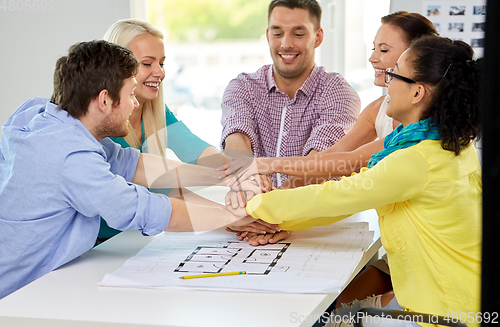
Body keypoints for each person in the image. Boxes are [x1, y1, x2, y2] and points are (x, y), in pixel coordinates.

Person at [238, 35, 482, 325]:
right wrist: (278, 221)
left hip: (444, 314)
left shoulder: (415, 160)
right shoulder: (449, 144)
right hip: (465, 297)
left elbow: (335, 195)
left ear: (418, 93)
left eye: (394, 74)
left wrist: (250, 208)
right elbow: (351, 194)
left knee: (327, 318)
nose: (386, 81)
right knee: (342, 309)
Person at [0, 40, 269, 300]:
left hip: (44, 283)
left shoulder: (45, 117)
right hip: (17, 295)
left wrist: (224, 176)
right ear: (104, 100)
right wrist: (232, 215)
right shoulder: (71, 157)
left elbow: (134, 164)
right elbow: (142, 209)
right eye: (130, 94)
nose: (136, 103)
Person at [93, 19, 236, 244]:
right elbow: (165, 190)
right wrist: (231, 217)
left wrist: (244, 175)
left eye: (162, 63)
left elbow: (198, 152)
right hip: (97, 247)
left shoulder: (157, 111)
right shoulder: (101, 123)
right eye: (147, 63)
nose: (159, 72)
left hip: (133, 242)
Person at [220, 0, 361, 188]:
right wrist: (249, 179)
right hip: (257, 210)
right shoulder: (243, 87)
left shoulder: (338, 92)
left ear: (317, 37)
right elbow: (237, 138)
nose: (286, 44)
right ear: (268, 35)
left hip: (319, 215)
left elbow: (318, 163)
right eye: (278, 33)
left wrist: (272, 203)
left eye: (298, 34)